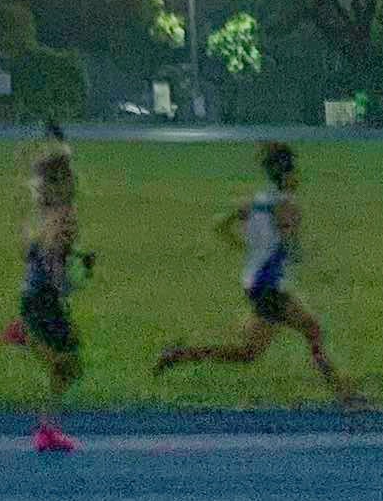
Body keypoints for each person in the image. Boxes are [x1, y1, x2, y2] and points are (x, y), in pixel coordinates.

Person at [154, 141, 361, 409]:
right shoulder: (288, 206)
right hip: (270, 285)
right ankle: (344, 394)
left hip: (255, 281)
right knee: (312, 330)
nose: (298, 178)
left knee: (249, 352)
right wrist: (309, 260)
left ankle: (179, 354)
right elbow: (289, 244)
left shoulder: (255, 202)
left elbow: (220, 226)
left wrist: (245, 246)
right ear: (287, 175)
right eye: (295, 172)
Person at [2, 120, 87, 452]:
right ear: (61, 182)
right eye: (69, 177)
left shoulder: (41, 212)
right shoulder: (62, 217)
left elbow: (33, 252)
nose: (75, 180)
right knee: (69, 366)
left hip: (33, 295)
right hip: (43, 299)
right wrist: (66, 282)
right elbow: (53, 259)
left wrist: (57, 139)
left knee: (70, 357)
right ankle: (47, 430)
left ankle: (48, 428)